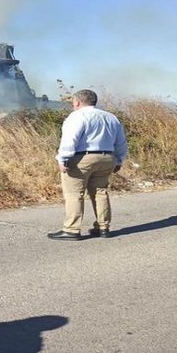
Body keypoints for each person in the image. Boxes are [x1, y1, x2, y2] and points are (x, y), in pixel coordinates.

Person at [48, 89, 128, 240]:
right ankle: (103, 228)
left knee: (74, 193)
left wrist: (62, 158)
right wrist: (119, 160)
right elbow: (121, 142)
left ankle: (71, 230)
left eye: (73, 103)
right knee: (100, 192)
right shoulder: (111, 117)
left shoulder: (77, 116)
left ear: (77, 102)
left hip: (82, 159)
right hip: (107, 158)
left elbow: (70, 140)